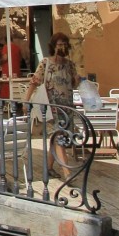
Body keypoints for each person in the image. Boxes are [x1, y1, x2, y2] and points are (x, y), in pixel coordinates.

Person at [27, 32, 81, 177]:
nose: (62, 47)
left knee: (57, 138)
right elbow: (34, 81)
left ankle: (49, 168)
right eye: (59, 44)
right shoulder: (46, 63)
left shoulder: (70, 65)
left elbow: (74, 85)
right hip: (52, 108)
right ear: (53, 46)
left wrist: (78, 79)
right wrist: (26, 102)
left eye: (64, 44)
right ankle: (67, 173)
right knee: (59, 139)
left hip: (67, 108)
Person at [0, 35, 24, 99]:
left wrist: (0, 61)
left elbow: (5, 58)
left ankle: (7, 103)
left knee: (6, 86)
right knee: (15, 87)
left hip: (7, 70)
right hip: (16, 70)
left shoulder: (6, 47)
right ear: (12, 39)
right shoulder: (18, 48)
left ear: (5, 41)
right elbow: (20, 59)